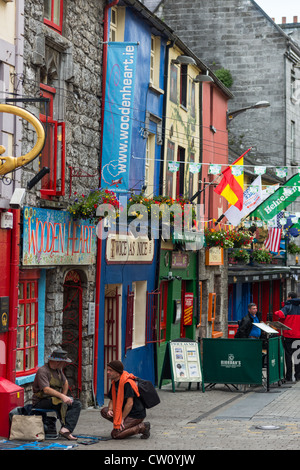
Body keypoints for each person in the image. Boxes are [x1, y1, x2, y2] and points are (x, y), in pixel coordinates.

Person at [32, 348, 82, 440]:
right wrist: (62, 396)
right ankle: (64, 429)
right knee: (60, 403)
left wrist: (65, 395)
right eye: (64, 362)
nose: (64, 364)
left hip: (55, 398)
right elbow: (46, 390)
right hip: (41, 400)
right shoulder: (43, 371)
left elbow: (65, 382)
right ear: (58, 362)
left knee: (76, 404)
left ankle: (66, 429)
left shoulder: (58, 370)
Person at [100, 360, 150, 439]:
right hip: (123, 411)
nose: (108, 372)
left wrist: (122, 418)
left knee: (115, 435)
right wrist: (110, 410)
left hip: (135, 414)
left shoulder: (127, 383)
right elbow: (112, 399)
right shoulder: (114, 382)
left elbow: (130, 404)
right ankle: (123, 426)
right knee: (104, 411)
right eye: (107, 370)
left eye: (110, 371)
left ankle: (143, 427)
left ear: (117, 373)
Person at [274, 291, 300, 382]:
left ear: (289, 297)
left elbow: (279, 314)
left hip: (288, 336)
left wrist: (277, 311)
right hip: (298, 336)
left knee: (288, 356)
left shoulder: (288, 306)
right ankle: (298, 376)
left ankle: (288, 376)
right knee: (297, 357)